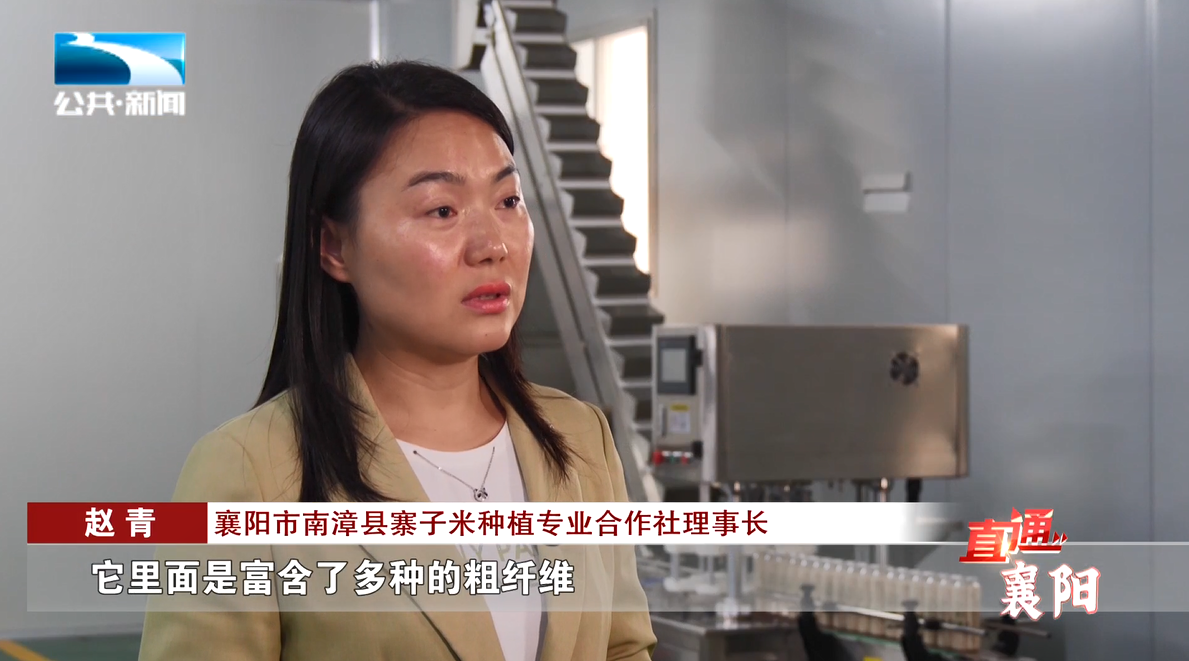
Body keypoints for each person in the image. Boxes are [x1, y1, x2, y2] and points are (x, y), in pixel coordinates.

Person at [137, 60, 656, 661]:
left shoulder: (580, 439)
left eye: (508, 200)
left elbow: (623, 649)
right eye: (442, 210)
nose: (493, 245)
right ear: (334, 246)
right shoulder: (247, 472)